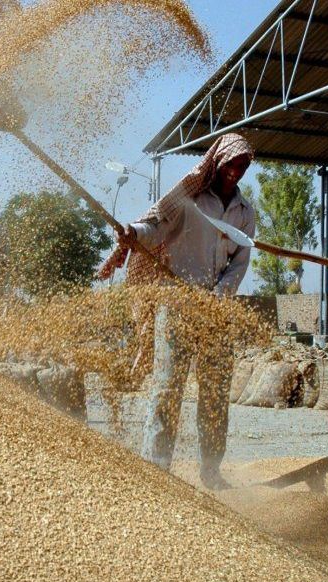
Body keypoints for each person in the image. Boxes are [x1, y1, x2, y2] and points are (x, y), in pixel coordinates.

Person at [99, 133, 256, 490]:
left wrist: (220, 296)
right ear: (216, 163)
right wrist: (132, 234)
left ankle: (211, 471)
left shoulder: (245, 213)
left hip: (216, 311)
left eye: (243, 166)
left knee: (215, 393)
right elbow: (154, 230)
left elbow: (239, 261)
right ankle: (156, 470)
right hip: (177, 302)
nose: (236, 172)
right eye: (232, 164)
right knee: (168, 387)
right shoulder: (190, 200)